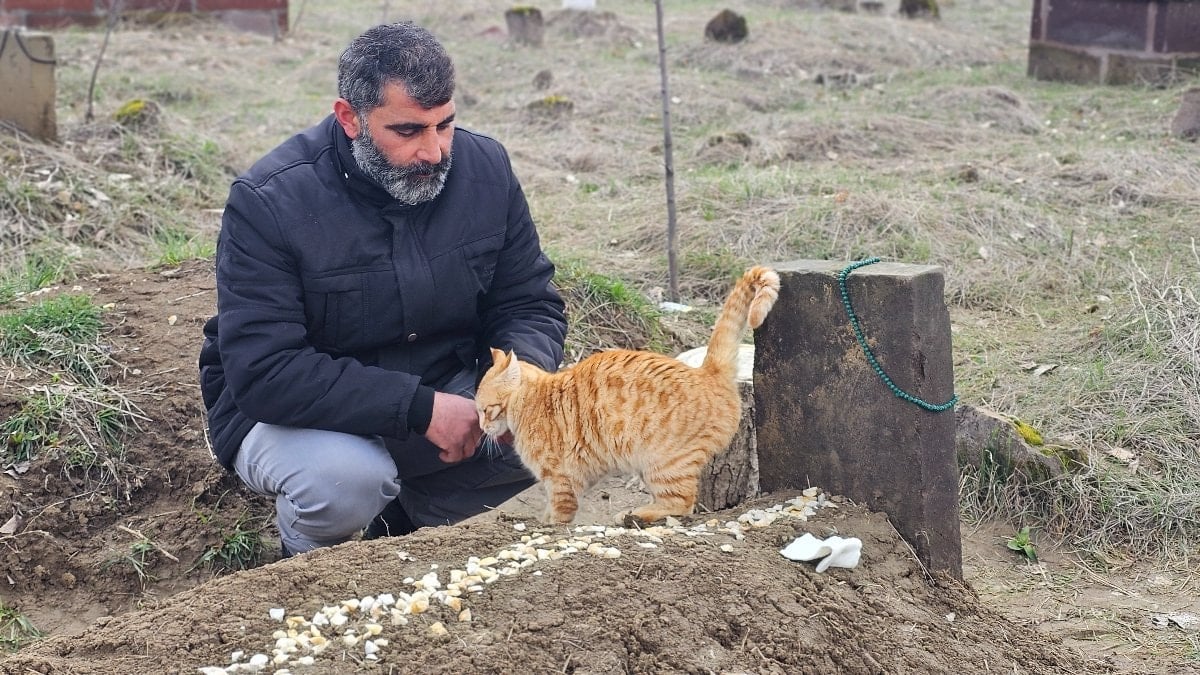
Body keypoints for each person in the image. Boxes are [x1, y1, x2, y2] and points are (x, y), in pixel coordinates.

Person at [198, 22, 567, 556]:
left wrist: (514, 385)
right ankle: (301, 568)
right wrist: (422, 410)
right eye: (409, 131)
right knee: (346, 482)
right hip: (298, 417)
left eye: (445, 126)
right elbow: (266, 372)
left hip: (444, 384)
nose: (436, 152)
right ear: (350, 117)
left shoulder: (486, 170)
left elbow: (527, 301)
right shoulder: (269, 202)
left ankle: (405, 533)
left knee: (559, 428)